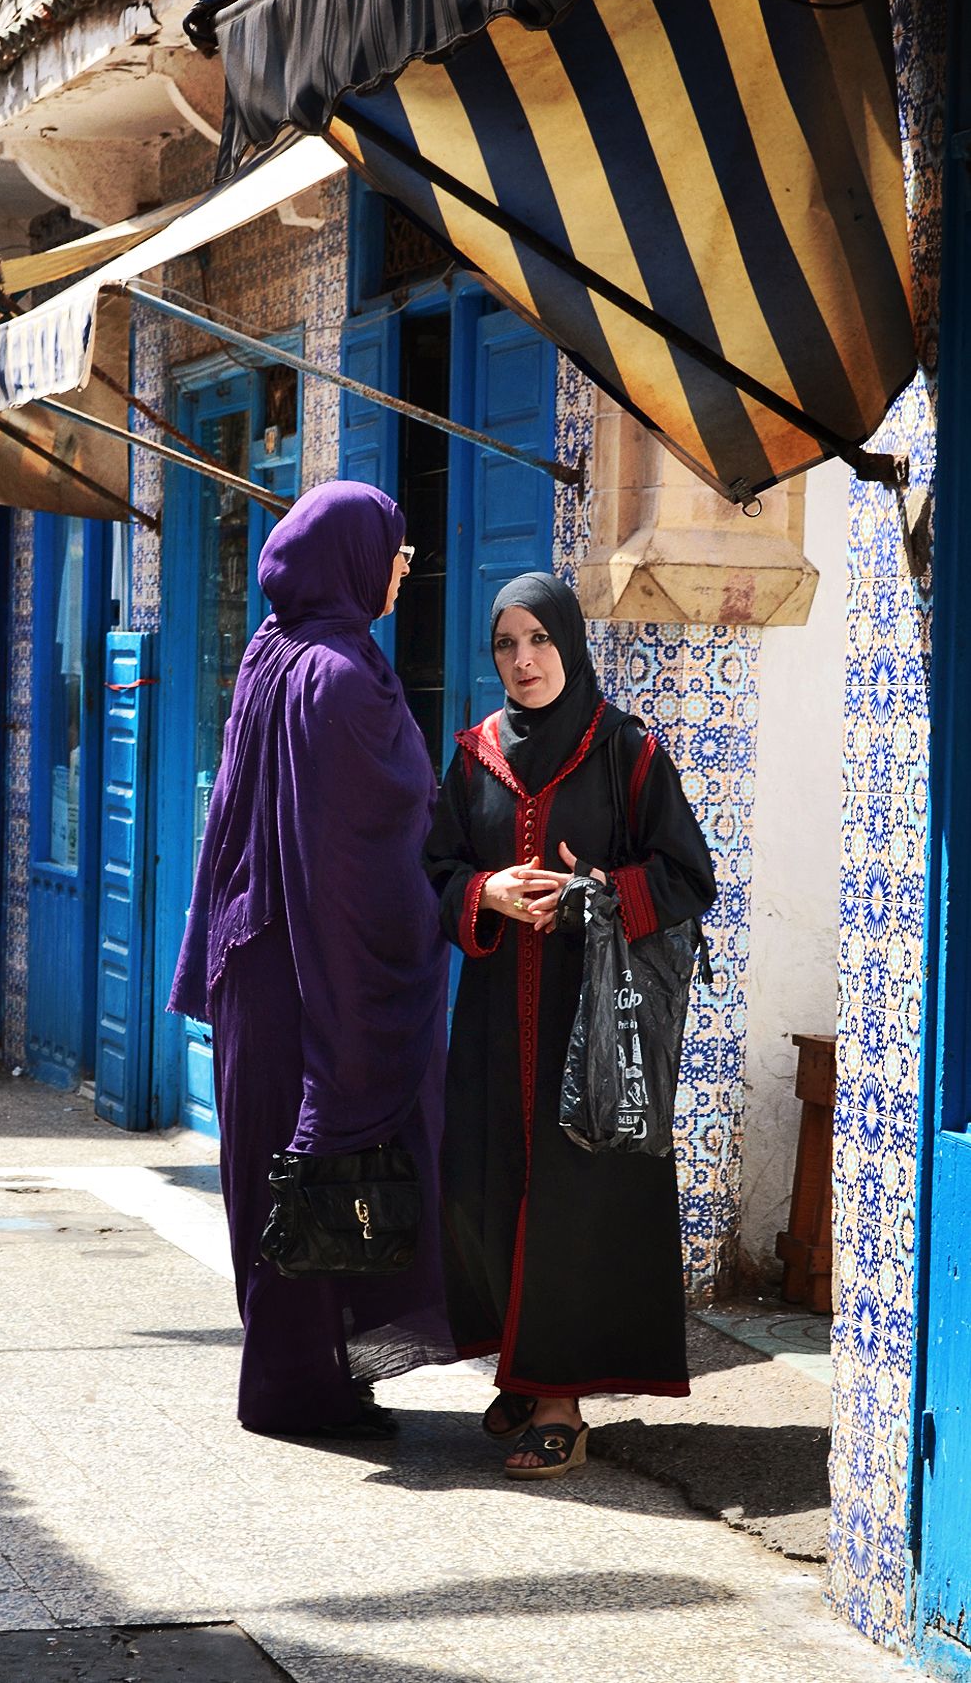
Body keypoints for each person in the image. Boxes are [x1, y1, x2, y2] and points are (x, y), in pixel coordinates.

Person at [168, 480, 452, 1438]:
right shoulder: (335, 674)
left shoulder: (272, 651)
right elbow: (361, 847)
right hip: (309, 965)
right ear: (352, 559)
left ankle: (309, 1375)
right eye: (395, 550)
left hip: (257, 960)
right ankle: (298, 1391)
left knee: (281, 1177)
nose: (404, 567)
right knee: (317, 1168)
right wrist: (450, 895)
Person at [424, 572, 716, 1480]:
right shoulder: (474, 755)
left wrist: (594, 897)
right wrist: (486, 892)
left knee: (571, 1205)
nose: (523, 660)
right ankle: (521, 1368)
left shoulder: (626, 749)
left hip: (590, 1027)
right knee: (484, 1192)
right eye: (505, 644)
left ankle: (559, 1403)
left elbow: (687, 876)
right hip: (491, 1026)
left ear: (570, 643)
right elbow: (435, 871)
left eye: (539, 639)